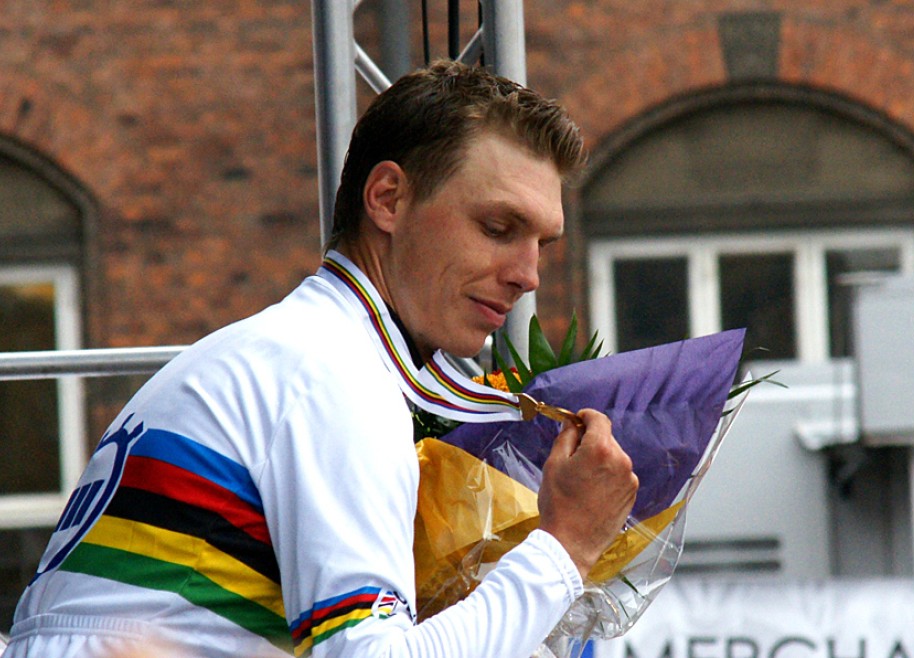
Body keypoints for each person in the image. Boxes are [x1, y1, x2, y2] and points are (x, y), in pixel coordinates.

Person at [3, 60, 638, 658]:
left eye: (542, 244)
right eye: (499, 228)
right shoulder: (331, 375)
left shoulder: (279, 352)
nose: (528, 275)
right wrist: (565, 547)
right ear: (387, 198)